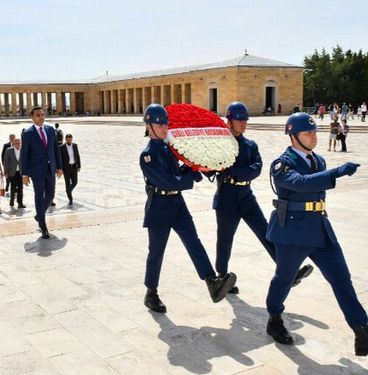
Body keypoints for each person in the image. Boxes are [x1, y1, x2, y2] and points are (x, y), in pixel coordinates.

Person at [265, 112, 368, 356]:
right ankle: (275, 317)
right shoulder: (282, 164)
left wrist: (330, 172)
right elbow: (300, 183)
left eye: (314, 132)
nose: (313, 137)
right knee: (284, 278)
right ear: (293, 136)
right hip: (292, 231)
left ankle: (362, 329)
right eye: (308, 133)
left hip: (320, 229)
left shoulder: (319, 161)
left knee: (342, 279)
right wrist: (336, 173)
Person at [140, 104, 236, 313]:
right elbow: (168, 182)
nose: (165, 127)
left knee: (194, 241)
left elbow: (179, 170)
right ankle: (151, 293)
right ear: (149, 126)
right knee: (156, 252)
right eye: (159, 123)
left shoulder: (169, 148)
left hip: (177, 204)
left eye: (166, 123)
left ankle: (212, 282)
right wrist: (191, 176)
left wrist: (198, 165)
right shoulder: (147, 155)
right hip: (159, 206)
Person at [211, 102, 312, 294]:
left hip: (246, 196)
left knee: (267, 232)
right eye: (239, 120)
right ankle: (221, 278)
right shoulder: (220, 144)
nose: (243, 123)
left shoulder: (250, 145)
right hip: (227, 197)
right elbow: (216, 166)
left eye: (245, 120)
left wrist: (234, 172)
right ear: (229, 121)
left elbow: (256, 169)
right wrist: (233, 171)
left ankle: (287, 272)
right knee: (225, 239)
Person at [20, 106, 63, 239]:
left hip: (51, 168)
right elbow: (24, 155)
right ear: (32, 117)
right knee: (39, 196)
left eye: (42, 114)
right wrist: (24, 174)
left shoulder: (50, 130)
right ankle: (43, 226)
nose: (41, 117)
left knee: (51, 194)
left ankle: (39, 215)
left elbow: (56, 149)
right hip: (36, 170)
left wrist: (59, 167)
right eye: (38, 115)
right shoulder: (27, 133)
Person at [59, 134, 81, 206]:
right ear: (65, 139)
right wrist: (60, 168)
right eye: (68, 140)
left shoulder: (75, 146)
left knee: (75, 182)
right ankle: (70, 199)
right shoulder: (61, 147)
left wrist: (79, 165)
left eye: (70, 140)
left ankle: (68, 190)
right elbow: (60, 159)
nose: (69, 141)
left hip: (74, 167)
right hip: (66, 168)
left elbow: (77, 155)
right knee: (67, 183)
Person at [3, 138, 25, 209]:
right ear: (14, 144)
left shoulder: (23, 150)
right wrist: (6, 172)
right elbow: (6, 162)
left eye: (20, 143)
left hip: (20, 172)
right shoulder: (9, 150)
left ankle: (20, 203)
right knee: (12, 188)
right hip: (12, 172)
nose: (19, 145)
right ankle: (12, 200)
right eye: (17, 143)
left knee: (20, 188)